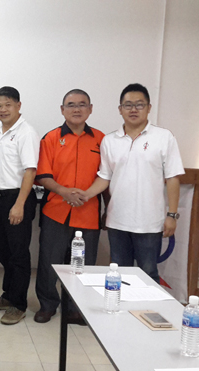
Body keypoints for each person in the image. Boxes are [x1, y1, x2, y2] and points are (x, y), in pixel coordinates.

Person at [79, 83, 184, 283]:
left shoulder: (164, 137)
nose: (133, 109)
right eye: (128, 105)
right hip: (117, 221)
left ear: (149, 108)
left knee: (148, 274)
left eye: (139, 104)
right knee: (119, 274)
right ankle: (121, 311)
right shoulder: (110, 140)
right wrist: (86, 194)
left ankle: (146, 313)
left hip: (149, 223)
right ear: (120, 109)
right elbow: (105, 176)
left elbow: (173, 178)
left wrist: (172, 214)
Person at [33, 89, 105, 323]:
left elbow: (107, 175)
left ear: (90, 109)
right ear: (62, 109)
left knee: (81, 265)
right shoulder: (51, 138)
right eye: (71, 105)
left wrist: (87, 197)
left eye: (82, 104)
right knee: (49, 262)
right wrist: (64, 192)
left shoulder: (101, 139)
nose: (77, 109)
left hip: (88, 212)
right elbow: (42, 175)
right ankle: (47, 304)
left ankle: (75, 307)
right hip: (56, 210)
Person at [0, 86, 39, 325]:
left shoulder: (26, 133)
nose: (3, 109)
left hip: (19, 198)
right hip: (2, 197)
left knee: (18, 255)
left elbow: (30, 170)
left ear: (18, 105)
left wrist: (19, 204)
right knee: (3, 252)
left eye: (7, 104)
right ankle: (8, 296)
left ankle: (19, 304)